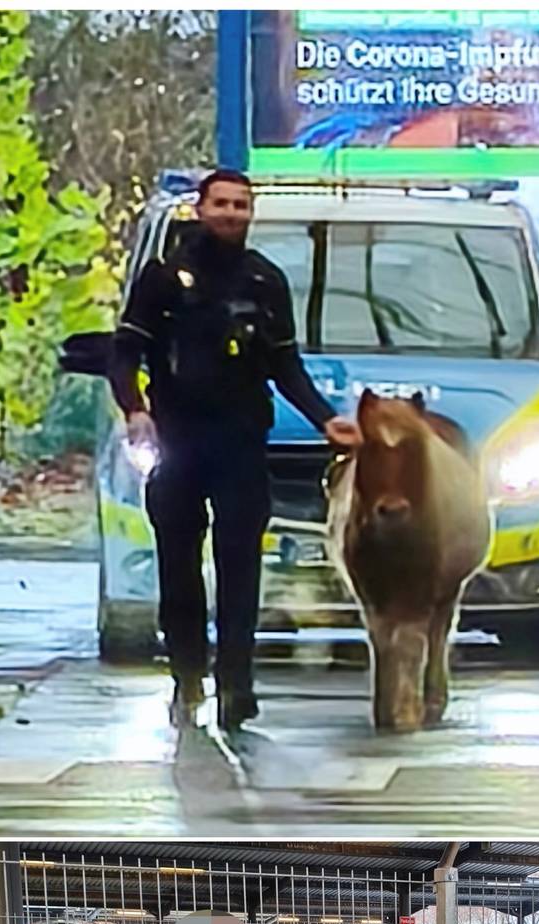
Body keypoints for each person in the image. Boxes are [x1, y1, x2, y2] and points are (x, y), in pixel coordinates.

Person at [106, 170, 357, 729]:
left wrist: (326, 421)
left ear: (251, 213)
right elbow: (125, 354)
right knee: (179, 563)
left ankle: (237, 684)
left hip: (241, 442)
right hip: (176, 439)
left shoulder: (264, 281)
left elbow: (285, 366)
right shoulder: (163, 278)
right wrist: (135, 409)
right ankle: (187, 673)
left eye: (241, 205)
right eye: (220, 203)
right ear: (200, 209)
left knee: (241, 565)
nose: (230, 213)